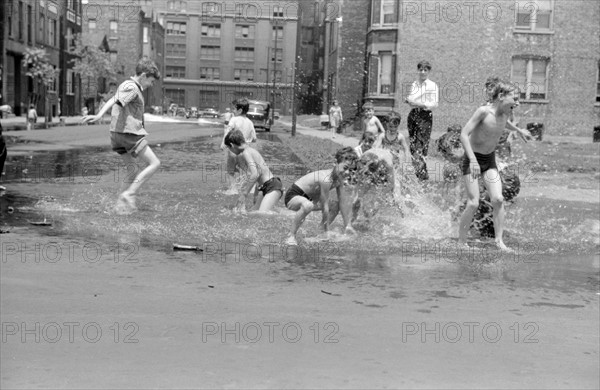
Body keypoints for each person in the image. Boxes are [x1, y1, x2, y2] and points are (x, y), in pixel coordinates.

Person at [458, 79, 531, 252]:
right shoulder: (483, 111)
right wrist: (473, 161)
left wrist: (518, 131)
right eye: (515, 98)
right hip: (472, 160)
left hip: (489, 160)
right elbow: (463, 135)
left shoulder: (506, 113)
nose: (518, 102)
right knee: (473, 203)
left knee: (498, 199)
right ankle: (461, 242)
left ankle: (499, 242)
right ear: (501, 96)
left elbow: (505, 123)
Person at [81, 58, 161, 215]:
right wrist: (98, 115)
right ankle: (129, 193)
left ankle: (120, 205)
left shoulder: (126, 85)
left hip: (116, 135)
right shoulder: (132, 87)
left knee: (132, 170)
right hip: (128, 134)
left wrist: (99, 115)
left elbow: (113, 99)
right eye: (151, 81)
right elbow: (115, 102)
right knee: (155, 163)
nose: (151, 85)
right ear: (143, 76)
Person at [284, 147, 358, 245]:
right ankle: (291, 235)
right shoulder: (325, 179)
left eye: (351, 170)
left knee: (336, 206)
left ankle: (319, 233)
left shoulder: (339, 180)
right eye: (345, 168)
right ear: (335, 163)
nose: (348, 173)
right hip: (293, 196)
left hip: (309, 199)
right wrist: (327, 230)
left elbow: (342, 202)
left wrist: (347, 225)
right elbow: (325, 207)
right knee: (308, 205)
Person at [224, 129, 282, 213]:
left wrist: (244, 195)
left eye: (229, 148)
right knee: (252, 212)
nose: (230, 151)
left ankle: (298, 215)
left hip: (272, 186)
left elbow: (255, 174)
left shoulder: (246, 152)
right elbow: (259, 172)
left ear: (232, 145)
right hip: (266, 186)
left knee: (262, 214)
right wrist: (256, 193)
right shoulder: (250, 150)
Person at [405, 60, 439, 181]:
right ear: (418, 70)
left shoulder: (432, 85)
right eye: (420, 70)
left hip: (425, 116)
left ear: (428, 71)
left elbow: (434, 104)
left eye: (425, 70)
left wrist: (418, 103)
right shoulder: (415, 84)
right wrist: (410, 101)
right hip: (414, 115)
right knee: (413, 146)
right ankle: (419, 174)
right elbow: (411, 98)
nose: (422, 72)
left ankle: (423, 176)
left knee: (421, 146)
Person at [221, 98, 257, 194]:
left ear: (240, 110)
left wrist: (223, 144)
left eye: (234, 109)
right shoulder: (250, 122)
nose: (232, 111)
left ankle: (233, 190)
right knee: (247, 172)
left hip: (233, 151)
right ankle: (251, 190)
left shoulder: (234, 119)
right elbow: (254, 138)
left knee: (230, 171)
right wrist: (247, 140)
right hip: (244, 152)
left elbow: (228, 132)